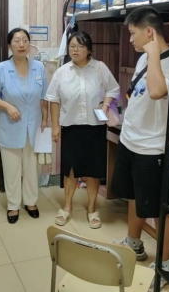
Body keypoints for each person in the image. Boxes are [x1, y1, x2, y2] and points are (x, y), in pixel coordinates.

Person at [111, 6, 169, 290]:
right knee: (134, 197)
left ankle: (164, 264)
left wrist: (154, 53)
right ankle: (134, 243)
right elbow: (137, 94)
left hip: (155, 149)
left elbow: (157, 92)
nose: (131, 39)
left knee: (159, 209)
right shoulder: (144, 57)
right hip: (131, 141)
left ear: (149, 32)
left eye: (133, 33)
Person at [45, 31, 120, 229]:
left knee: (94, 170)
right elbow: (53, 99)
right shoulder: (62, 72)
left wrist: (106, 104)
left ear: (89, 50)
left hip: (95, 128)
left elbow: (113, 89)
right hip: (71, 127)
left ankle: (92, 208)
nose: (75, 50)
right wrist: (55, 126)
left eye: (80, 46)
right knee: (70, 169)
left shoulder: (100, 68)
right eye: (72, 46)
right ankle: (67, 207)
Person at [0, 28, 48, 224]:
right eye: (16, 40)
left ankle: (30, 201)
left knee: (31, 167)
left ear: (29, 44)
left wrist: (45, 119)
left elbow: (44, 97)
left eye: (25, 40)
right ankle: (13, 205)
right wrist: (7, 106)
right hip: (11, 125)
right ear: (9, 45)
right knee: (11, 168)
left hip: (34, 126)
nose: (21, 44)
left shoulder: (39, 67)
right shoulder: (1, 69)